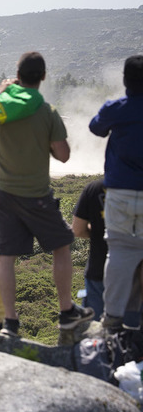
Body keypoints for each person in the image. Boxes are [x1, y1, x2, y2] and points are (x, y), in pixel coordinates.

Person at [0, 51, 92, 336]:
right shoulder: (46, 112)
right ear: (43, 77)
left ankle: (9, 323)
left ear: (18, 76)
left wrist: (2, 90)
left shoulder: (0, 106)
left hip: (2, 193)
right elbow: (63, 156)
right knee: (61, 246)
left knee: (6, 256)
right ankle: (65, 311)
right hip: (35, 195)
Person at [89, 54, 143, 331]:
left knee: (119, 252)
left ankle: (112, 316)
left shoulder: (117, 107)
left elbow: (96, 128)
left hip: (120, 192)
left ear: (124, 80)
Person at [72, 179, 107, 321]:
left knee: (97, 332)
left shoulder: (95, 188)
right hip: (136, 272)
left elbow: (78, 229)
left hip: (99, 270)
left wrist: (100, 232)